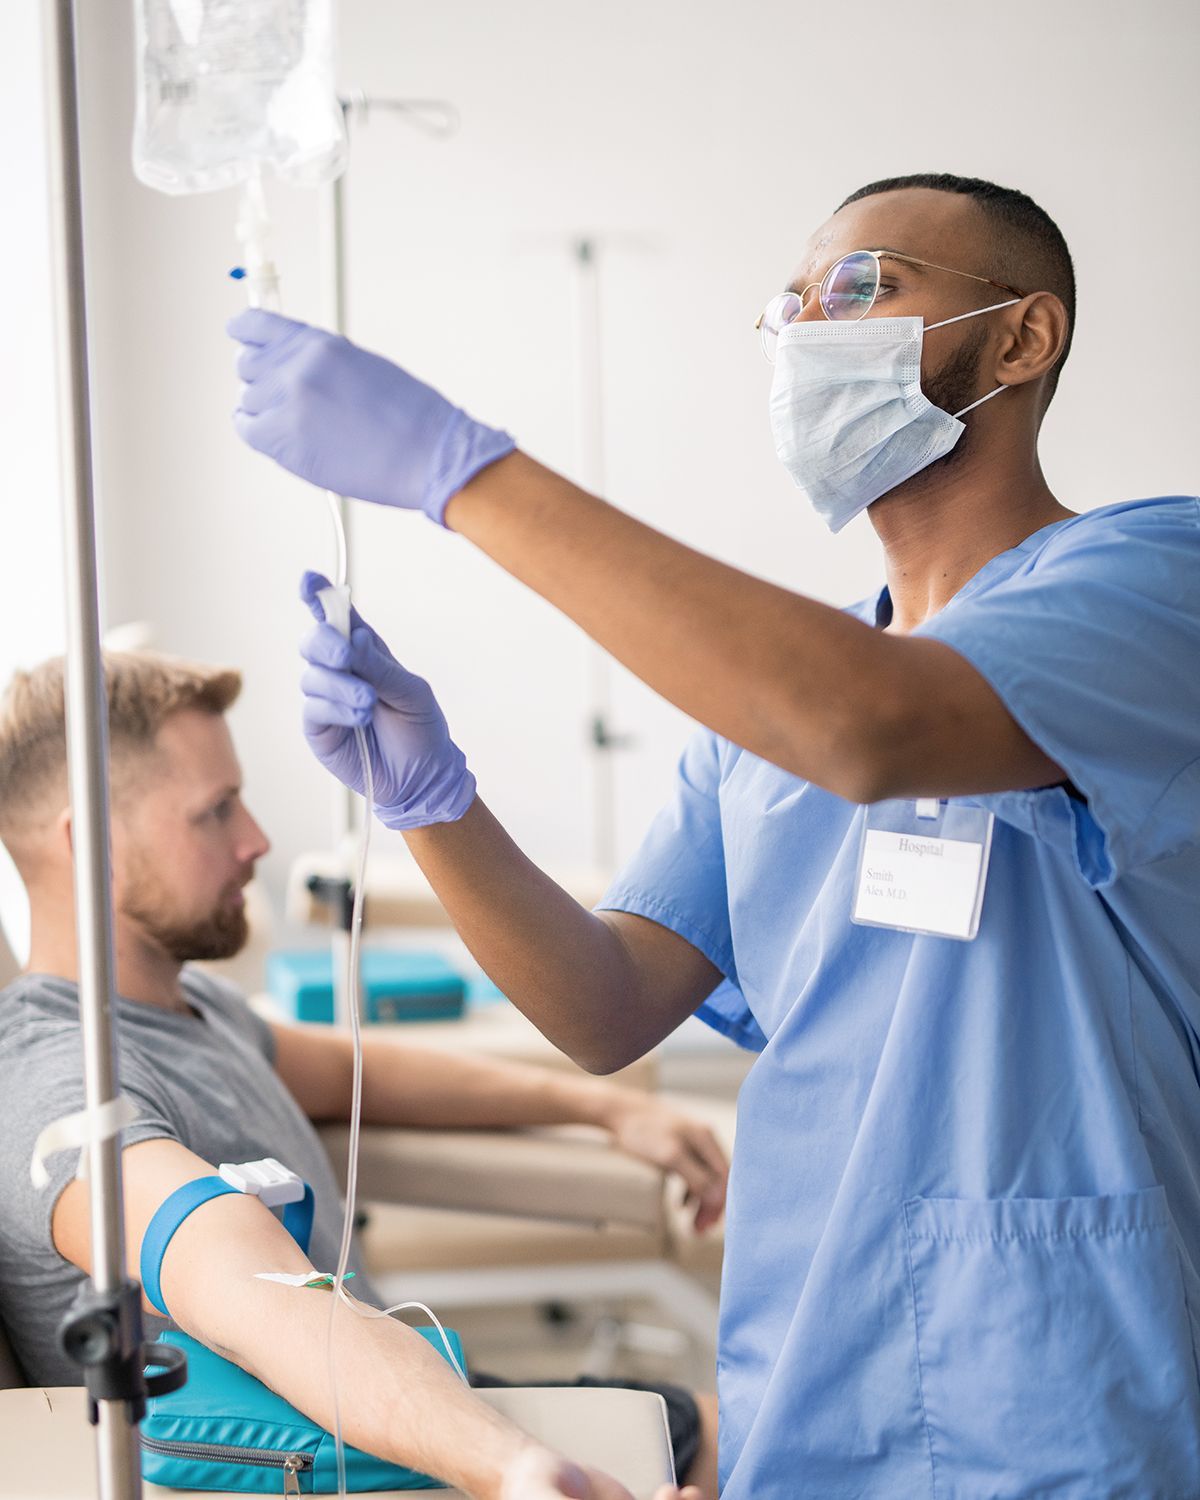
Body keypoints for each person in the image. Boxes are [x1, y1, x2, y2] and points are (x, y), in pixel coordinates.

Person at [229, 171, 1200, 1496]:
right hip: (816, 1380)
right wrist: (434, 804)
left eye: (864, 289)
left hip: (1070, 1390)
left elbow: (877, 729)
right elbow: (603, 1004)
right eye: (788, 305)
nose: (808, 327)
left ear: (1023, 338)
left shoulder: (1153, 584)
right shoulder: (770, 717)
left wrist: (458, 472)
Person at [0, 651, 726, 1500]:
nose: (257, 840)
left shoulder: (189, 1003)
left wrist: (604, 1108)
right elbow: (258, 1293)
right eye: (216, 811)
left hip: (404, 1408)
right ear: (91, 843)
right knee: (757, 1444)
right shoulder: (59, 1085)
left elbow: (363, 1075)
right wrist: (516, 1469)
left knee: (755, 1430)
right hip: (327, 1457)